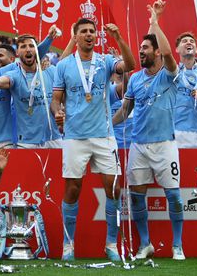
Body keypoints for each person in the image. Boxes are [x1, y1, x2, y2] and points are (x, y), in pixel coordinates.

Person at [50, 19, 136, 261]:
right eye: (83, 32)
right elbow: (56, 98)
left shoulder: (105, 61)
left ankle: (111, 244)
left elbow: (130, 65)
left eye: (92, 32)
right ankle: (68, 245)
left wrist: (119, 38)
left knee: (114, 188)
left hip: (104, 136)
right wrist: (56, 111)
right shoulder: (64, 65)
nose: (88, 35)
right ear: (75, 37)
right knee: (73, 189)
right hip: (75, 137)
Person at [113, 0, 185, 260]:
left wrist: (155, 22)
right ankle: (146, 244)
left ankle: (177, 245)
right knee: (137, 198)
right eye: (139, 48)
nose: (140, 51)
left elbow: (168, 52)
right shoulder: (134, 80)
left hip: (165, 144)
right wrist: (106, 126)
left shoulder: (169, 73)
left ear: (156, 52)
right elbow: (125, 111)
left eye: (145, 48)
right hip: (138, 146)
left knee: (174, 197)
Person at [0, 34, 61, 147]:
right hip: (26, 142)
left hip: (53, 138)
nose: (28, 49)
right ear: (17, 53)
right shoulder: (14, 75)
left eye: (31, 46)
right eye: (23, 46)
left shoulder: (51, 71)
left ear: (37, 51)